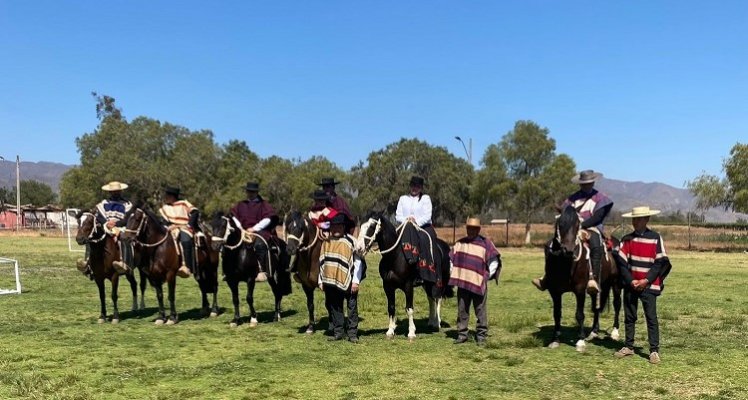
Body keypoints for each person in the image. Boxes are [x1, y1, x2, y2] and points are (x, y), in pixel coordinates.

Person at [532, 169, 613, 295]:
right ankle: (548, 277)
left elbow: (598, 217)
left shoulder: (601, 199)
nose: (586, 185)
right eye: (583, 183)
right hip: (572, 229)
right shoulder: (572, 199)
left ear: (593, 183)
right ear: (580, 184)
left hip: (592, 228)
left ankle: (593, 278)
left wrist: (581, 225)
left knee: (595, 243)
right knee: (550, 245)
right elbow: (564, 214)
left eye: (588, 183)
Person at [613, 206, 671, 364]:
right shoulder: (626, 239)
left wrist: (646, 280)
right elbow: (622, 264)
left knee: (651, 317)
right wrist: (631, 281)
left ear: (647, 219)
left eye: (639, 219)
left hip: (649, 286)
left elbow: (659, 263)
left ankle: (654, 351)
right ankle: (629, 346)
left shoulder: (656, 238)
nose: (636, 222)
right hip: (631, 285)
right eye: (634, 219)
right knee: (629, 316)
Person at [449, 217, 502, 346]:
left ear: (478, 229)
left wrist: (486, 277)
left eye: (474, 229)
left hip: (479, 283)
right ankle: (462, 334)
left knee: (480, 310)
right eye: (469, 228)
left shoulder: (486, 244)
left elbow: (494, 261)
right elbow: (451, 260)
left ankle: (481, 335)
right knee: (462, 309)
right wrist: (454, 273)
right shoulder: (460, 243)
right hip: (463, 283)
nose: (471, 231)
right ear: (466, 229)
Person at [318, 213, 364, 343]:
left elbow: (358, 262)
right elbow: (322, 261)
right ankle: (338, 332)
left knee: (352, 307)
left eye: (338, 226)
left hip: (349, 281)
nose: (335, 229)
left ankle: (352, 333)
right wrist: (321, 280)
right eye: (333, 226)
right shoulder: (326, 242)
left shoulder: (351, 241)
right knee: (335, 306)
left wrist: (355, 281)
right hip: (330, 281)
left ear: (343, 227)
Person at [77, 181, 134, 276]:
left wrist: (117, 224)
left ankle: (125, 263)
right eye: (113, 191)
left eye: (117, 191)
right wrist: (107, 224)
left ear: (121, 191)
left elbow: (128, 218)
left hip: (121, 227)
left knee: (124, 238)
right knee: (91, 239)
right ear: (110, 192)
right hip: (106, 226)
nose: (115, 193)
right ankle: (88, 264)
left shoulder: (127, 204)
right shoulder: (103, 204)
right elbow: (99, 216)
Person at [231, 182, 278, 282]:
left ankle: (261, 270)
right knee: (231, 243)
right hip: (242, 230)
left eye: (253, 192)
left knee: (259, 244)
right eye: (249, 191)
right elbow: (233, 216)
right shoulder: (241, 204)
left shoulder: (264, 205)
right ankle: (230, 270)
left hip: (260, 231)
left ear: (257, 192)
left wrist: (254, 228)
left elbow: (268, 219)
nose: (250, 193)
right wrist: (240, 228)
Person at [395, 176, 438, 275]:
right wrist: (407, 220)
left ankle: (427, 266)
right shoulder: (403, 199)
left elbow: (427, 216)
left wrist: (416, 221)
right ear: (410, 186)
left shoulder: (425, 198)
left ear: (421, 188)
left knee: (424, 240)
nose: (415, 188)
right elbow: (398, 216)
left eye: (417, 186)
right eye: (413, 186)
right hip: (405, 226)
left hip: (422, 227)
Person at [158, 187, 198, 278]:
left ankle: (187, 266)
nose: (166, 197)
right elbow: (164, 220)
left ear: (172, 196)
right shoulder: (165, 207)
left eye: (167, 196)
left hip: (184, 227)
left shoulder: (184, 203)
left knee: (185, 240)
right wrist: (168, 226)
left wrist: (189, 225)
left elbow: (195, 212)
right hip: (171, 228)